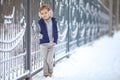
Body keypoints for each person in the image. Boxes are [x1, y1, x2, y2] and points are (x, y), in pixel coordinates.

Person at [38, 4, 58, 77]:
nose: (44, 15)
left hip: (52, 44)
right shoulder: (40, 22)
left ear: (49, 12)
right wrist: (40, 36)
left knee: (49, 59)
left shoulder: (53, 21)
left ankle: (51, 71)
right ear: (40, 14)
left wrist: (55, 41)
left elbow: (56, 31)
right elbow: (38, 32)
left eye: (46, 13)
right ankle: (46, 74)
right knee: (45, 59)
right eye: (42, 13)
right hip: (43, 44)